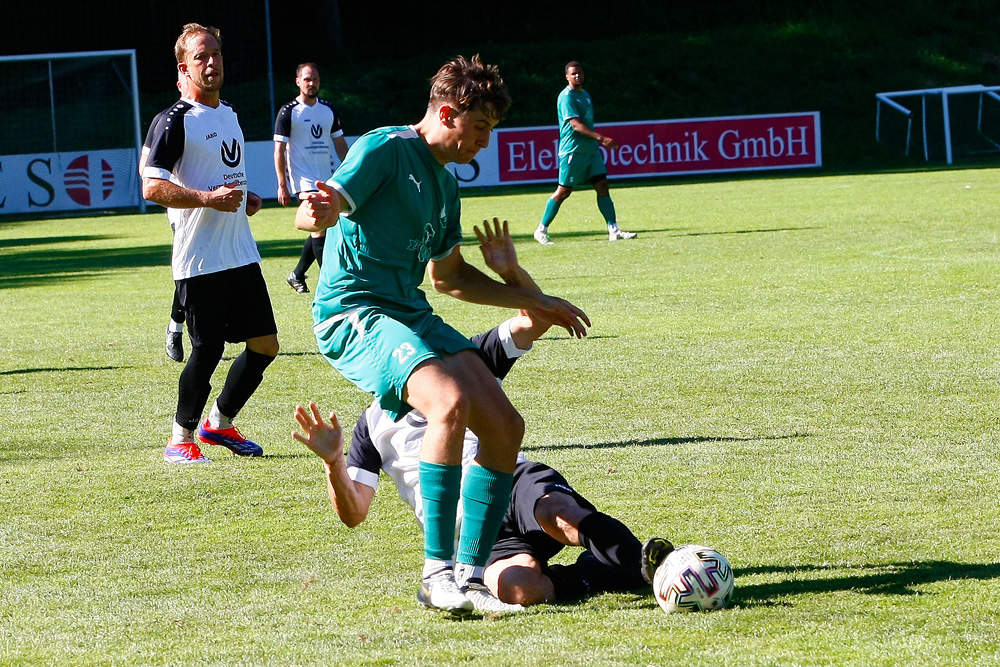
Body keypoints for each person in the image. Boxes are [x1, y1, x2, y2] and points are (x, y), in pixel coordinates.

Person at [294, 55, 591, 615]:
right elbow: (320, 210)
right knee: (448, 401)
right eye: (480, 128)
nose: (485, 142)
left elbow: (448, 277)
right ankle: (437, 575)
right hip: (354, 312)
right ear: (449, 113)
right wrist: (318, 211)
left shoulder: (444, 187)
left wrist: (535, 299)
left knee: (505, 425)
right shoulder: (387, 148)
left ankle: (472, 578)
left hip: (410, 311)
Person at [293, 219, 673, 609]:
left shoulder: (468, 361)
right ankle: (599, 572)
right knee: (523, 589)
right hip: (470, 536)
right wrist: (333, 462)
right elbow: (355, 513)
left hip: (511, 484)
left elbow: (535, 319)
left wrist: (510, 272)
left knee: (561, 515)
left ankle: (661, 569)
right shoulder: (370, 426)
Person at [142, 23, 276, 464]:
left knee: (265, 345)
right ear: (185, 67)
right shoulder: (173, 120)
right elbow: (151, 187)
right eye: (201, 56)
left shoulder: (229, 114)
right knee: (208, 350)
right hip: (199, 259)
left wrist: (245, 198)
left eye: (215, 53)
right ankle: (179, 439)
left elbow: (224, 177)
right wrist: (207, 200)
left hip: (240, 250)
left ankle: (218, 425)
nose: (211, 62)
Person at [533, 61, 637, 245]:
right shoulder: (566, 97)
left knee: (602, 185)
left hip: (590, 151)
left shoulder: (585, 94)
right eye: (573, 74)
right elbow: (575, 125)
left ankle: (613, 229)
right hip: (573, 151)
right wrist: (602, 138)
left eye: (579, 72)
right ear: (567, 76)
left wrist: (596, 142)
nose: (577, 76)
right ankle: (541, 230)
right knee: (563, 191)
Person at [273, 63, 349, 294]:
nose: (311, 83)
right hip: (303, 181)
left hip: (327, 178)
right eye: (307, 79)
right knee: (319, 226)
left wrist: (351, 170)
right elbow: (279, 150)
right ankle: (331, 283)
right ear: (298, 82)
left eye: (315, 79)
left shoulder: (328, 109)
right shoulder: (289, 112)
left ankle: (297, 274)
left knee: (323, 228)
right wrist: (282, 184)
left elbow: (339, 143)